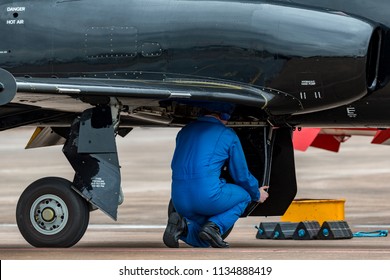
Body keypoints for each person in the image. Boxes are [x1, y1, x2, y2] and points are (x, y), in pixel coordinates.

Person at [163, 104, 269, 248]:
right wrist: (256, 193)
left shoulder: (184, 131)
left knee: (203, 238)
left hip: (178, 201)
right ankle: (215, 227)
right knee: (245, 196)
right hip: (207, 197)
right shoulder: (227, 134)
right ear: (225, 115)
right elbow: (241, 174)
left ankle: (183, 228)